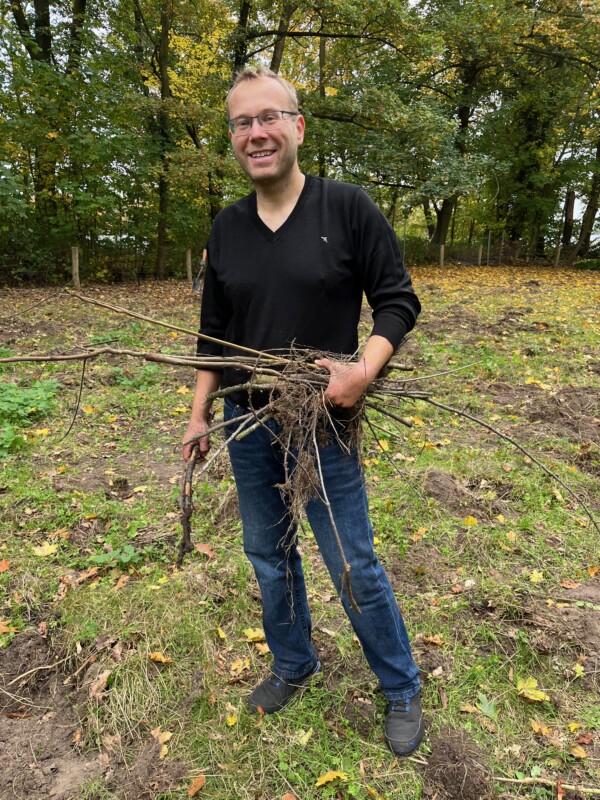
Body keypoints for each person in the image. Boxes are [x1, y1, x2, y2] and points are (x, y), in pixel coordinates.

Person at [182, 66, 424, 756]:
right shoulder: (227, 227)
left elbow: (398, 301)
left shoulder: (346, 208)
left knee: (351, 561)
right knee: (267, 552)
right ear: (233, 137)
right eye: (242, 123)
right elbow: (212, 334)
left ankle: (401, 685)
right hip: (246, 421)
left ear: (297, 126)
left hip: (322, 421)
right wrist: (200, 414)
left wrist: (362, 372)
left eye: (269, 118)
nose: (255, 133)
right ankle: (294, 662)